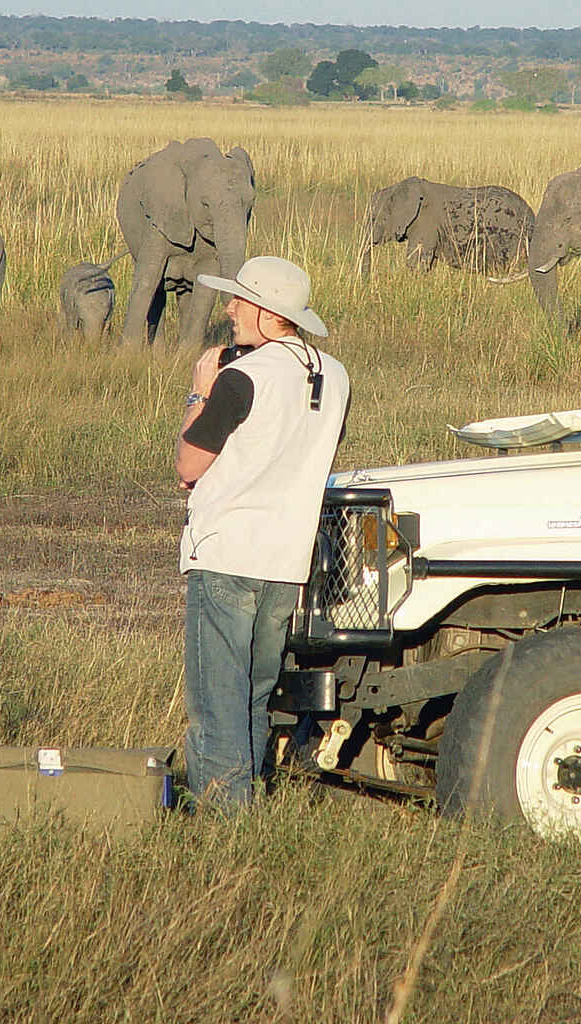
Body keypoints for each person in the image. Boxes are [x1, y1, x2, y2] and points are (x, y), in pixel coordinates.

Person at [175, 256, 350, 809]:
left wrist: (199, 392)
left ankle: (223, 817)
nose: (229, 309)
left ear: (267, 312)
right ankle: (247, 804)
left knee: (217, 701)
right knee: (253, 694)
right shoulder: (336, 376)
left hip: (227, 552)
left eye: (239, 300)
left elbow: (188, 466)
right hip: (287, 559)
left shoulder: (240, 377)